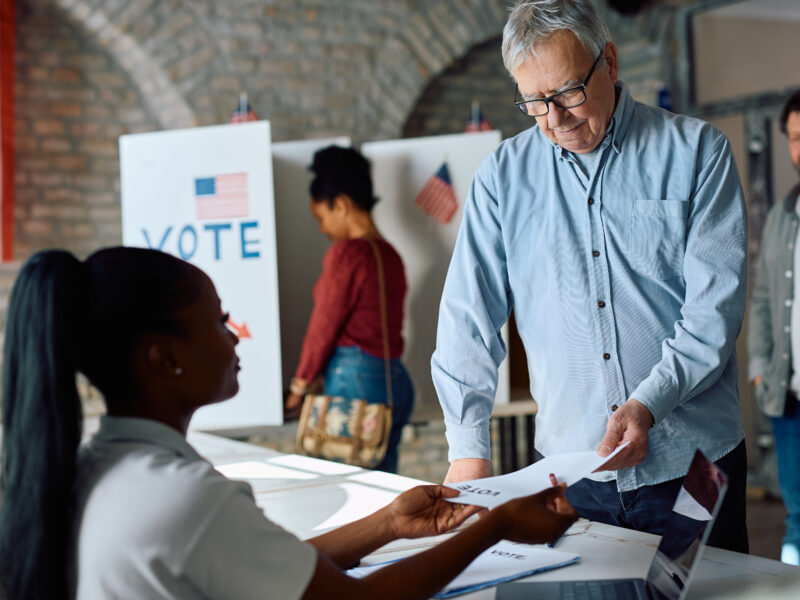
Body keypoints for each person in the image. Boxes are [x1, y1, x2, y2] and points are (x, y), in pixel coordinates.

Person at [0, 246, 577, 600]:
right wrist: (494, 526)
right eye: (218, 320)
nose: (234, 334)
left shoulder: (101, 466)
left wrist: (387, 525)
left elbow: (267, 571)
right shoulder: (183, 497)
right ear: (162, 357)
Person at [432, 0, 749, 553]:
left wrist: (647, 403)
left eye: (568, 94)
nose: (554, 119)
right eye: (534, 102)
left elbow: (713, 312)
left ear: (610, 62)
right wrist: (467, 448)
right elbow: (467, 317)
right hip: (571, 476)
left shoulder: (699, 152)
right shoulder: (502, 180)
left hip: (693, 461)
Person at [284, 146, 414, 473]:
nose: (321, 228)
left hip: (354, 383)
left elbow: (323, 326)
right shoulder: (390, 254)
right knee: (383, 489)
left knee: (348, 489)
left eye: (321, 217)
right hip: (393, 379)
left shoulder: (347, 254)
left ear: (340, 205)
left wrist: (299, 386)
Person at [748, 89, 800, 565]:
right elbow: (763, 298)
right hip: (789, 399)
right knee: (797, 514)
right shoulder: (784, 217)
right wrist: (761, 367)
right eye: (796, 138)